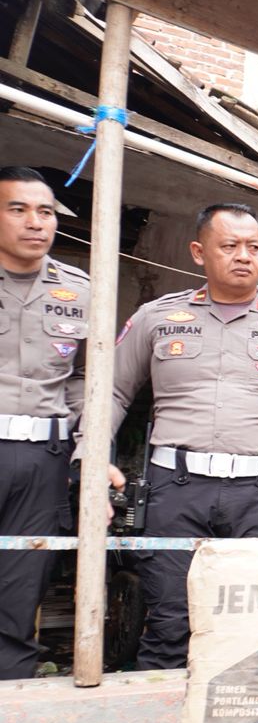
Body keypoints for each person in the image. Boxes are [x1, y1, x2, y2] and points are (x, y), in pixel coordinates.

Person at [107, 203, 258, 671]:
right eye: (229, 246)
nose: (243, 256)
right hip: (175, 490)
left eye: (253, 247)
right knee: (170, 619)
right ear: (199, 252)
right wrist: (95, 460)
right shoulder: (157, 318)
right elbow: (109, 390)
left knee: (253, 626)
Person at [0, 166, 119, 680]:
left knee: (21, 591)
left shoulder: (82, 291)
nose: (35, 222)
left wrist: (90, 458)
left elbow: (88, 384)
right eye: (18, 209)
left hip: (43, 461)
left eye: (45, 211)